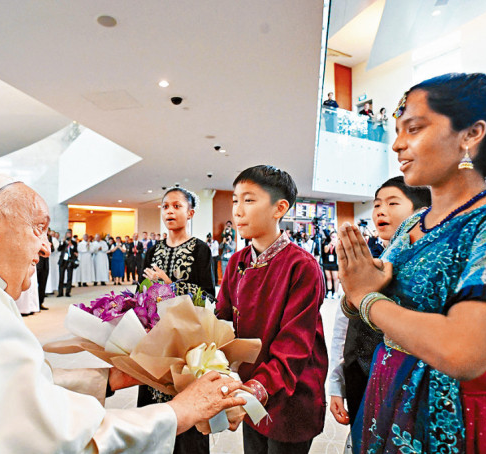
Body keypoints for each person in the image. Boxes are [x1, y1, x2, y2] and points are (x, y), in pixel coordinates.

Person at [0, 173, 248, 453]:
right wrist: (178, 412)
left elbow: (5, 390)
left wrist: (107, 380)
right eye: (38, 230)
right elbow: (54, 434)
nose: (45, 249)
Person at [338, 73, 486, 453]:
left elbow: (465, 349)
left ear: (471, 134)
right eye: (397, 131)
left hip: (468, 410)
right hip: (391, 395)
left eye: (414, 129)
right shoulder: (409, 228)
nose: (398, 145)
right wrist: (357, 288)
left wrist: (366, 298)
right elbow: (372, 294)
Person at [216, 165, 328, 454]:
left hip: (289, 393)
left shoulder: (301, 266)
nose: (238, 211)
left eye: (249, 200)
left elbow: (295, 347)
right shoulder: (237, 261)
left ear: (280, 208)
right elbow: (222, 319)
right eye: (235, 200)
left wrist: (256, 389)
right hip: (250, 387)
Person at [328, 176, 430, 429]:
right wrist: (335, 382)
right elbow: (344, 328)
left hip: (404, 385)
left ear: (421, 212)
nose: (380, 211)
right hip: (359, 376)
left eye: (392, 203)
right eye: (376, 204)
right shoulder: (372, 262)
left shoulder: (426, 269)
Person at [138, 187, 215, 454]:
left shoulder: (200, 249)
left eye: (177, 206)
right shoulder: (152, 250)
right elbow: (140, 295)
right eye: (165, 206)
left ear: (190, 212)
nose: (170, 211)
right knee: (154, 417)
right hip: (156, 341)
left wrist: (171, 286)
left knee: (187, 416)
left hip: (187, 343)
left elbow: (209, 298)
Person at [57, 229, 77, 297]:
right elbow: (59, 249)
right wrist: (62, 242)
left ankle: (68, 292)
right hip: (62, 261)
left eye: (70, 234)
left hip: (70, 261)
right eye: (68, 234)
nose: (69, 235)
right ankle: (60, 292)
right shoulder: (63, 241)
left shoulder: (74, 242)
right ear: (66, 235)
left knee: (69, 277)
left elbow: (76, 250)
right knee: (61, 277)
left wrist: (71, 245)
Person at [323, 231, 340, 298]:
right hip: (327, 262)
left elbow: (338, 252)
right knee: (328, 278)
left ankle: (335, 292)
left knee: (335, 278)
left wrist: (335, 245)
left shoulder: (338, 244)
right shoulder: (327, 243)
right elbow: (325, 251)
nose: (333, 238)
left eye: (334, 237)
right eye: (332, 237)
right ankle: (329, 292)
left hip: (335, 263)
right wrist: (330, 244)